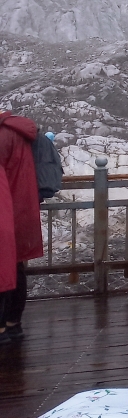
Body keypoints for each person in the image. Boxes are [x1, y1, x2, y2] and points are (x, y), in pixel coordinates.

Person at [0, 111, 40, 345]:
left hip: (5, 207)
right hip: (23, 205)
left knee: (4, 267)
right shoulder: (20, 131)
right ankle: (14, 324)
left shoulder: (2, 135)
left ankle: (2, 327)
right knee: (17, 266)